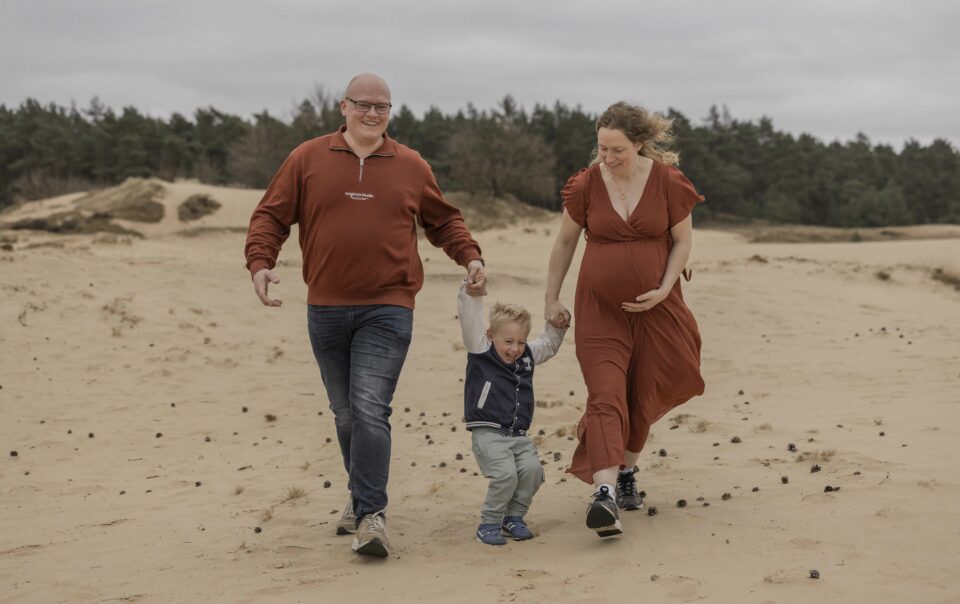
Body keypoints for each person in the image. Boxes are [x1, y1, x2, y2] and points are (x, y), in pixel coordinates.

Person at [244, 73, 487, 558]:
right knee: (346, 412)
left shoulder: (411, 165)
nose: (373, 114)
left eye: (383, 107)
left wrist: (471, 256)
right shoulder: (306, 158)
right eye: (364, 105)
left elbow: (444, 220)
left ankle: (372, 516)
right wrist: (261, 262)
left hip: (389, 306)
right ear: (343, 106)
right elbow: (270, 215)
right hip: (326, 307)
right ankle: (360, 499)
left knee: (371, 407)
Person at [543, 101, 705, 538]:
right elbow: (563, 244)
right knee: (606, 392)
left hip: (658, 310)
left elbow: (682, 241)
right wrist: (551, 298)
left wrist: (665, 286)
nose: (608, 160)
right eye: (602, 150)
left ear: (639, 144)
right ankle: (605, 493)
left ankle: (627, 469)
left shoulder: (669, 182)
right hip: (600, 309)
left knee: (642, 392)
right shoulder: (586, 186)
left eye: (618, 151)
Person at [457, 281, 566, 545]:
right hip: (488, 432)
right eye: (508, 341)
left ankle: (513, 517)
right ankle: (489, 523)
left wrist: (557, 326)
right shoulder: (481, 350)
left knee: (532, 471)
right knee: (505, 475)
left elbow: (548, 346)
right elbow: (469, 318)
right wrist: (470, 293)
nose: (514, 348)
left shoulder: (527, 355)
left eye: (520, 341)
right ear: (490, 335)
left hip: (517, 434)